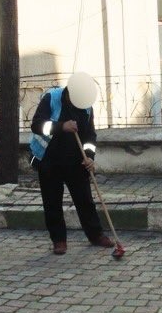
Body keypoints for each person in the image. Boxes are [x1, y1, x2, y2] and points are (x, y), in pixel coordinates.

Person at [30, 85, 115, 255]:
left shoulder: (86, 106)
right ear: (69, 93)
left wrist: (90, 156)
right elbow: (37, 125)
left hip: (76, 161)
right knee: (52, 201)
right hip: (49, 160)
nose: (78, 106)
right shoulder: (51, 99)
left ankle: (95, 235)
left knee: (85, 200)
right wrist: (61, 126)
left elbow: (90, 135)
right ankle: (59, 240)